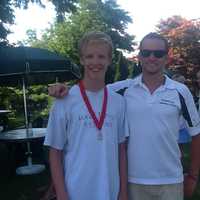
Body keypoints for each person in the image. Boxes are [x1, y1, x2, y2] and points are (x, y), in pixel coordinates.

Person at [48, 32, 200, 200]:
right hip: (133, 180)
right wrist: (65, 89)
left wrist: (193, 176)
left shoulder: (180, 91)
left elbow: (196, 134)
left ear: (166, 57)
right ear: (139, 56)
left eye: (158, 53)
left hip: (170, 179)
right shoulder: (123, 90)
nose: (152, 57)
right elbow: (91, 90)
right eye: (146, 52)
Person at [44, 31, 128, 200]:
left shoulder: (118, 102)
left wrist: (123, 192)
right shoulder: (64, 101)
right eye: (89, 56)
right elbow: (55, 152)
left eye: (101, 56)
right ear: (81, 60)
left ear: (109, 60)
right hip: (76, 191)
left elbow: (121, 150)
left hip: (111, 190)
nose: (95, 62)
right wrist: (61, 194)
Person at [171, 73, 191, 158]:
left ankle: (180, 164)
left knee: (178, 148)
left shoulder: (184, 94)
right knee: (175, 148)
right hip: (175, 126)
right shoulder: (171, 94)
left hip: (181, 126)